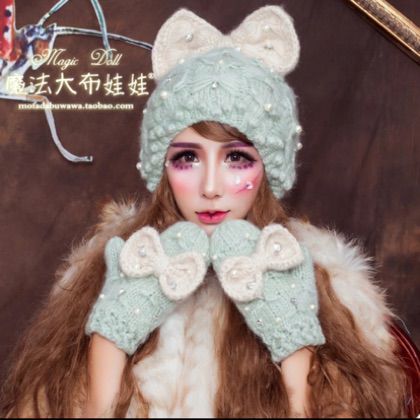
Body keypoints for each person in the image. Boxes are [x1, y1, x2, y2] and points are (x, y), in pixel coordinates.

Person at [0, 5, 415, 418]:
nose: (211, 187)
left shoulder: (325, 281)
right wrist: (110, 342)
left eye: (237, 158)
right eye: (187, 158)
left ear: (269, 167)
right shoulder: (120, 265)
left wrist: (295, 352)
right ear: (163, 167)